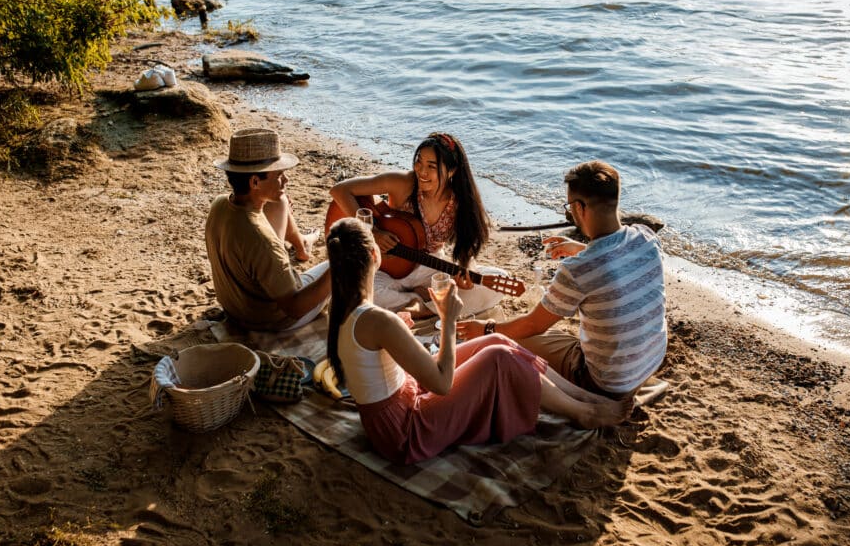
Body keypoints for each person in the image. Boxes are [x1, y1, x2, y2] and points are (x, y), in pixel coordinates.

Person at [325, 218, 633, 465]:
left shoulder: (344, 310)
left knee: (496, 340)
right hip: (407, 431)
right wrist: (447, 319)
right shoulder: (378, 320)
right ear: (376, 256)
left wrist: (401, 332)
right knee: (499, 357)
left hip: (396, 408)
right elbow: (442, 384)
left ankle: (584, 398)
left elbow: (374, 360)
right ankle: (583, 413)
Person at [458, 160, 666, 402]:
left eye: (569, 207)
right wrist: (582, 249)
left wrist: (486, 329)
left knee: (515, 339)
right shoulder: (646, 237)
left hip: (606, 382)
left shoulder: (578, 270)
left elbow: (533, 325)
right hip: (650, 362)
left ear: (579, 208)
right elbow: (617, 262)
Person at [329, 132, 502, 317]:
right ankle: (420, 302)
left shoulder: (460, 202)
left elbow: (466, 246)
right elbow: (340, 190)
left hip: (430, 268)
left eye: (431, 166)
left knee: (498, 281)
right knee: (353, 293)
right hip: (384, 269)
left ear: (451, 171)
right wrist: (372, 232)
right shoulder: (402, 183)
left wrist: (467, 271)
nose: (422, 171)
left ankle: (421, 306)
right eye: (419, 161)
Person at [205, 128, 330, 332]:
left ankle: (303, 244)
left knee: (280, 200)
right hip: (270, 320)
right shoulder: (262, 241)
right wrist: (340, 267)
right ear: (255, 182)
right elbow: (294, 308)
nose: (286, 181)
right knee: (345, 267)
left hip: (235, 307)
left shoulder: (220, 204)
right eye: (279, 175)